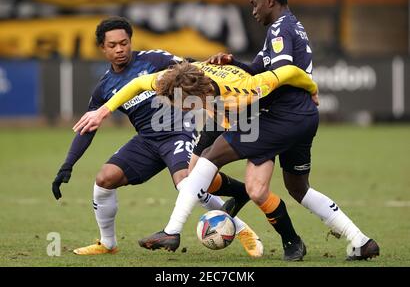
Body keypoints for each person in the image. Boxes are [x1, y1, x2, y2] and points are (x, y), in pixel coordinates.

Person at [137, 0, 380, 261]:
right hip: (303, 118)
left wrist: (306, 88)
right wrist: (234, 64)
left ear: (270, 1)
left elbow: (281, 75)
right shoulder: (291, 27)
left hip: (281, 117)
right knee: (296, 188)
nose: (253, 11)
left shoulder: (279, 30)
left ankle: (172, 230)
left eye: (254, 5)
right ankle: (360, 241)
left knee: (211, 156)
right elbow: (261, 71)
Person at [52, 16, 264, 257]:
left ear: (131, 41)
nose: (120, 49)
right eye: (113, 45)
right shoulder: (104, 87)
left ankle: (242, 229)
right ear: (102, 47)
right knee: (104, 179)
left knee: (186, 183)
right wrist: (67, 165)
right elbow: (89, 125)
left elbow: (193, 70)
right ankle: (108, 243)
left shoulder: (154, 59)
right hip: (147, 140)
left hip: (178, 131)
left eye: (124, 42)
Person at [72, 60, 319, 261]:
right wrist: (103, 111)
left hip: (253, 122)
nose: (180, 108)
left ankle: (291, 241)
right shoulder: (174, 81)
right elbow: (137, 83)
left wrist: (312, 89)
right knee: (195, 180)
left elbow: (289, 71)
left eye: (182, 103)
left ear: (198, 93)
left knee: (257, 189)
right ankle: (237, 194)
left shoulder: (244, 88)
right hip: (218, 118)